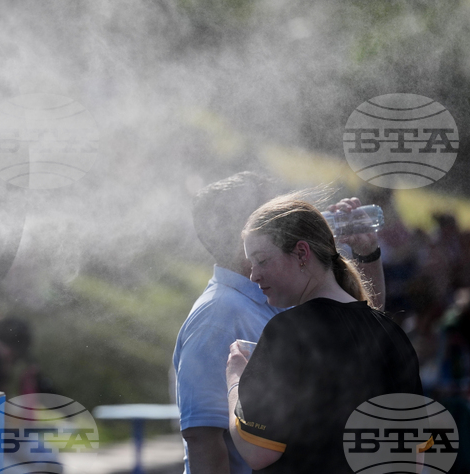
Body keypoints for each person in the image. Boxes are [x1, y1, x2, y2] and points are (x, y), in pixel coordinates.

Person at [174, 175, 387, 474]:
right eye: (274, 209)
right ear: (244, 232)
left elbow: (366, 334)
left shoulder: (281, 296)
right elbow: (203, 442)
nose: (290, 215)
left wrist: (367, 253)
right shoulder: (217, 317)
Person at [225, 194, 422, 473]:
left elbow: (258, 451)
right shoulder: (392, 334)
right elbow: (414, 459)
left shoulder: (288, 332)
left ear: (302, 253)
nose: (254, 275)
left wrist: (235, 380)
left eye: (262, 260)